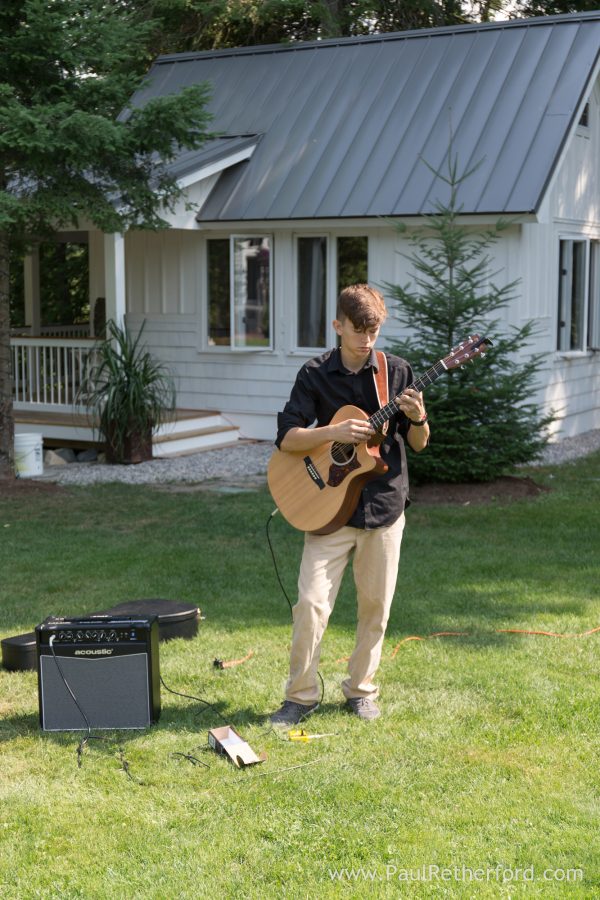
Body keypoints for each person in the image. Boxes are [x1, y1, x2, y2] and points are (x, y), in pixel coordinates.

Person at [270, 284, 429, 725]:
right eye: (357, 330)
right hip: (327, 509)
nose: (365, 340)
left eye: (373, 331)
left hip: (383, 507)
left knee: (375, 605)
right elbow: (286, 437)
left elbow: (418, 443)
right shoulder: (314, 373)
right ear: (337, 326)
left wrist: (417, 419)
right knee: (310, 604)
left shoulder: (395, 372)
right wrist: (330, 434)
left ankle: (360, 690)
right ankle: (299, 697)